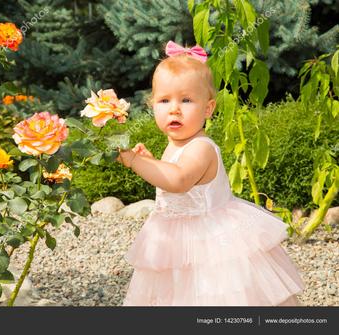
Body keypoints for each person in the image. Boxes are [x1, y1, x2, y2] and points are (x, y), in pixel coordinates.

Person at [116, 41, 305, 306]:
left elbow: (179, 180)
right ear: (152, 106)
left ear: (208, 109)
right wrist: (152, 162)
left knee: (211, 296)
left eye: (186, 100)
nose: (174, 109)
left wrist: (135, 161)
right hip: (173, 240)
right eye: (164, 100)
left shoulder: (202, 148)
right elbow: (169, 174)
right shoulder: (175, 143)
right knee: (175, 293)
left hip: (209, 241)